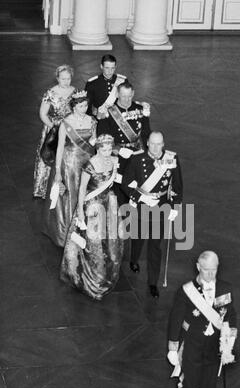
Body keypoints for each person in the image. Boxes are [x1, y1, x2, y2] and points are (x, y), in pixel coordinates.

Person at [167, 251, 238, 388]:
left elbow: (230, 316)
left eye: (213, 270)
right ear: (198, 267)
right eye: (206, 270)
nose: (209, 274)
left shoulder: (225, 288)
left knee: (208, 387)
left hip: (213, 347)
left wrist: (228, 344)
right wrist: (173, 348)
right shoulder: (187, 291)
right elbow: (176, 319)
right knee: (190, 381)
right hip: (192, 344)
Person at [60, 134, 124, 300]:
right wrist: (80, 211)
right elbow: (82, 189)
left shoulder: (113, 161)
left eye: (110, 149)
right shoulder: (90, 164)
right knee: (93, 245)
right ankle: (93, 281)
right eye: (104, 149)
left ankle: (107, 275)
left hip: (109, 204)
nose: (107, 152)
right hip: (93, 207)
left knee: (110, 242)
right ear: (98, 148)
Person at [122, 131, 183, 298]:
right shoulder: (137, 159)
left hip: (161, 207)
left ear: (163, 144)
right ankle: (134, 259)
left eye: (159, 144)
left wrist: (175, 207)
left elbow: (177, 186)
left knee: (155, 246)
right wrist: (140, 197)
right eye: (153, 143)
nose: (156, 148)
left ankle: (153, 282)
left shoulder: (172, 159)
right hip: (142, 205)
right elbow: (126, 183)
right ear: (147, 143)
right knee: (139, 237)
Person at [42, 90, 97, 247]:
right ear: (74, 107)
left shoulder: (92, 121)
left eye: (86, 105)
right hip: (69, 164)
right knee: (69, 196)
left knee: (86, 193)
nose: (84, 108)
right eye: (80, 106)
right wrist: (58, 171)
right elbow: (59, 148)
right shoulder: (66, 122)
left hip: (86, 162)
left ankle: (83, 227)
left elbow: (93, 142)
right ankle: (65, 233)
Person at [98, 81, 152, 206]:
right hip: (118, 156)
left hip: (137, 154)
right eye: (123, 96)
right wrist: (118, 149)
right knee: (120, 188)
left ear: (133, 93)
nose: (127, 99)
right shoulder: (109, 112)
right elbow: (102, 138)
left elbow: (145, 133)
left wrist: (150, 153)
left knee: (137, 185)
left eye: (129, 96)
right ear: (117, 94)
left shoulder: (140, 109)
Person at [33, 64, 76, 199]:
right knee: (46, 157)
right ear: (57, 78)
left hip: (69, 128)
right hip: (53, 128)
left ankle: (65, 188)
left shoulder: (75, 91)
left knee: (67, 157)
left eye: (68, 79)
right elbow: (43, 114)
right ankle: (40, 189)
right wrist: (54, 127)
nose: (66, 82)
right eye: (63, 79)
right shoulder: (50, 93)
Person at [85, 54, 126, 120]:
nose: (110, 71)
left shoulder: (122, 81)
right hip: (100, 118)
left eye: (112, 68)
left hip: (118, 119)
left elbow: (127, 102)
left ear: (115, 67)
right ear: (101, 66)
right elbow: (87, 106)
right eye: (107, 68)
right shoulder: (92, 83)